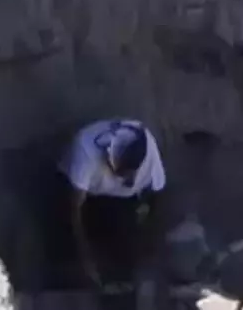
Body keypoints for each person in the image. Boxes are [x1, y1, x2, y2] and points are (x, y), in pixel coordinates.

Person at [47, 118, 167, 289]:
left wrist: (150, 248)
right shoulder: (85, 151)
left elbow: (158, 197)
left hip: (119, 201)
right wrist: (85, 257)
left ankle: (120, 281)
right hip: (84, 196)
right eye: (119, 173)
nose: (128, 179)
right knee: (66, 249)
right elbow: (73, 210)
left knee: (128, 246)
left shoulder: (149, 150)